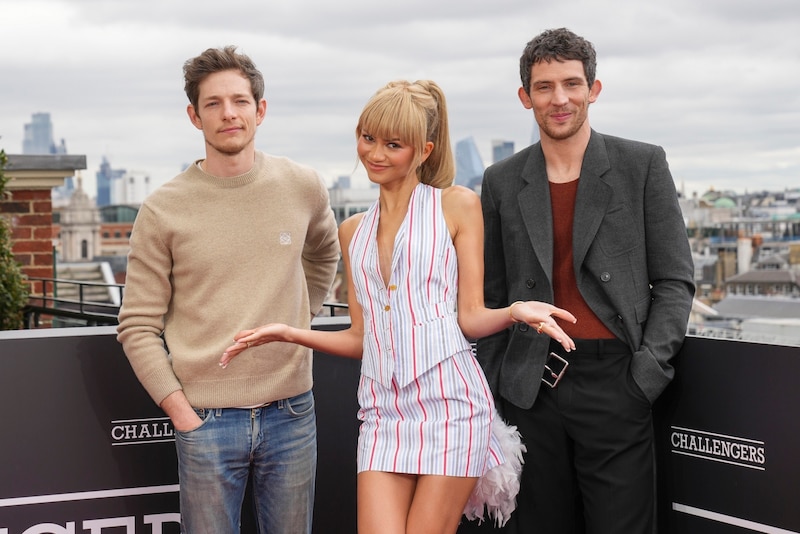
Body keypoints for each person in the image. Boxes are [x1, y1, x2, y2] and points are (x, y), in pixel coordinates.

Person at [220, 79, 577, 534]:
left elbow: (468, 317)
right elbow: (361, 338)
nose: (375, 153)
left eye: (393, 144)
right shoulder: (352, 231)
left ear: (424, 150)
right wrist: (289, 332)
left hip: (452, 407)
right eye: (368, 138)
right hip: (382, 412)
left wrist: (514, 311)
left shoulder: (457, 206)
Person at [477, 28, 695, 533]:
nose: (560, 99)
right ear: (525, 96)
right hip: (530, 387)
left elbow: (675, 280)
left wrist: (645, 377)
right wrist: (495, 394)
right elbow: (491, 295)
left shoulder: (641, 164)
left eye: (572, 84)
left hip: (617, 381)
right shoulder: (501, 180)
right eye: (545, 86)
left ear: (594, 89)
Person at [116, 45, 340, 534]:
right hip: (205, 418)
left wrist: (299, 319)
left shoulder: (302, 185)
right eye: (213, 103)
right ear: (194, 117)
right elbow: (136, 325)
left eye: (239, 100)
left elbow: (324, 253)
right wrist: (182, 411)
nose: (228, 113)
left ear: (260, 110)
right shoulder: (162, 210)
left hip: (292, 410)